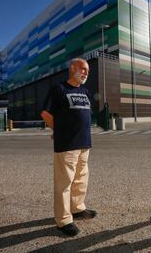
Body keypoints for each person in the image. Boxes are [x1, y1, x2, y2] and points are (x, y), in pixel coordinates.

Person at [41, 58, 96, 236]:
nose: (86, 73)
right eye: (83, 69)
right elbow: (45, 113)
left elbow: (84, 116)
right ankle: (63, 219)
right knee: (64, 183)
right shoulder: (59, 89)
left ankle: (77, 208)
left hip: (84, 144)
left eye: (87, 70)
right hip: (67, 144)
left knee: (81, 179)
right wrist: (59, 131)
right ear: (72, 68)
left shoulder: (85, 92)